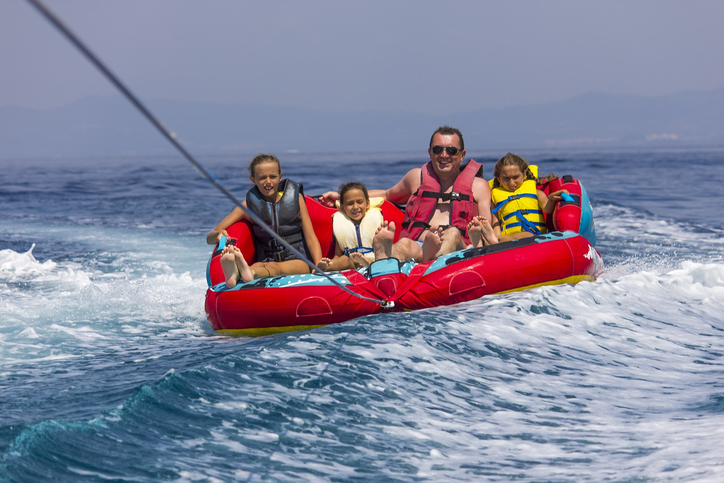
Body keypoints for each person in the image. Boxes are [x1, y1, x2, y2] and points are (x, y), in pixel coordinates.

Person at [320, 126, 492, 262]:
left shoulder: (478, 186)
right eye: (438, 149)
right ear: (430, 152)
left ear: (462, 155)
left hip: (459, 249)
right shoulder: (416, 177)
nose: (444, 155)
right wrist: (342, 197)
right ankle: (379, 259)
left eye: (451, 151)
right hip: (417, 244)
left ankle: (424, 258)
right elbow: (387, 195)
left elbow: (486, 229)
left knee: (452, 234)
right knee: (403, 244)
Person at [207, 153, 322, 287]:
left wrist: (318, 264)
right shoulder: (247, 206)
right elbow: (209, 238)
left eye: (272, 176)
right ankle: (237, 273)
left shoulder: (296, 199)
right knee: (260, 265)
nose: (268, 181)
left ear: (280, 176)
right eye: (262, 178)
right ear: (253, 179)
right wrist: (218, 234)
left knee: (275, 268)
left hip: (299, 260)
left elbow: (310, 236)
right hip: (266, 259)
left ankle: (245, 272)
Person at [467, 152, 568, 247]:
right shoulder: (496, 196)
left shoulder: (536, 192)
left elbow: (547, 209)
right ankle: (489, 242)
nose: (511, 183)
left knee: (526, 235)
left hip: (535, 236)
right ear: (499, 179)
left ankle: (487, 242)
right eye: (506, 178)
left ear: (524, 175)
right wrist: (496, 236)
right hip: (507, 240)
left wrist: (551, 198)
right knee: (498, 238)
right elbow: (496, 221)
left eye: (515, 177)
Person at [317, 181, 384, 271]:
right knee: (344, 259)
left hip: (373, 259)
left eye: (359, 202)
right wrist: (335, 262)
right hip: (351, 262)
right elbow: (338, 254)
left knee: (382, 257)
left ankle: (367, 263)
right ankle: (328, 266)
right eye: (350, 203)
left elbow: (383, 248)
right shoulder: (341, 223)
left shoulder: (377, 221)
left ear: (367, 203)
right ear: (343, 207)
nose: (355, 207)